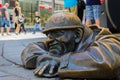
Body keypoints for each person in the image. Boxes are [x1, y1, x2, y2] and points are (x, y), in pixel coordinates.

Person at [21, 12, 120, 80]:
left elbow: (107, 61)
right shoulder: (58, 41)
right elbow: (31, 48)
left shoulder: (108, 40)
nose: (50, 40)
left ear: (77, 34)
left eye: (58, 33)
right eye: (48, 35)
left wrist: (60, 61)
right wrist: (45, 59)